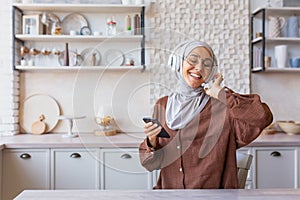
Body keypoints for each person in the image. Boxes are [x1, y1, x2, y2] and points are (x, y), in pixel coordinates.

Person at [139, 40, 273, 189]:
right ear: (178, 63)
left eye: (207, 64)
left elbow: (262, 117)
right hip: (170, 194)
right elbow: (150, 164)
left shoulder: (223, 108)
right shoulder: (163, 105)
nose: (199, 68)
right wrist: (151, 141)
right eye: (193, 60)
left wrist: (222, 95)